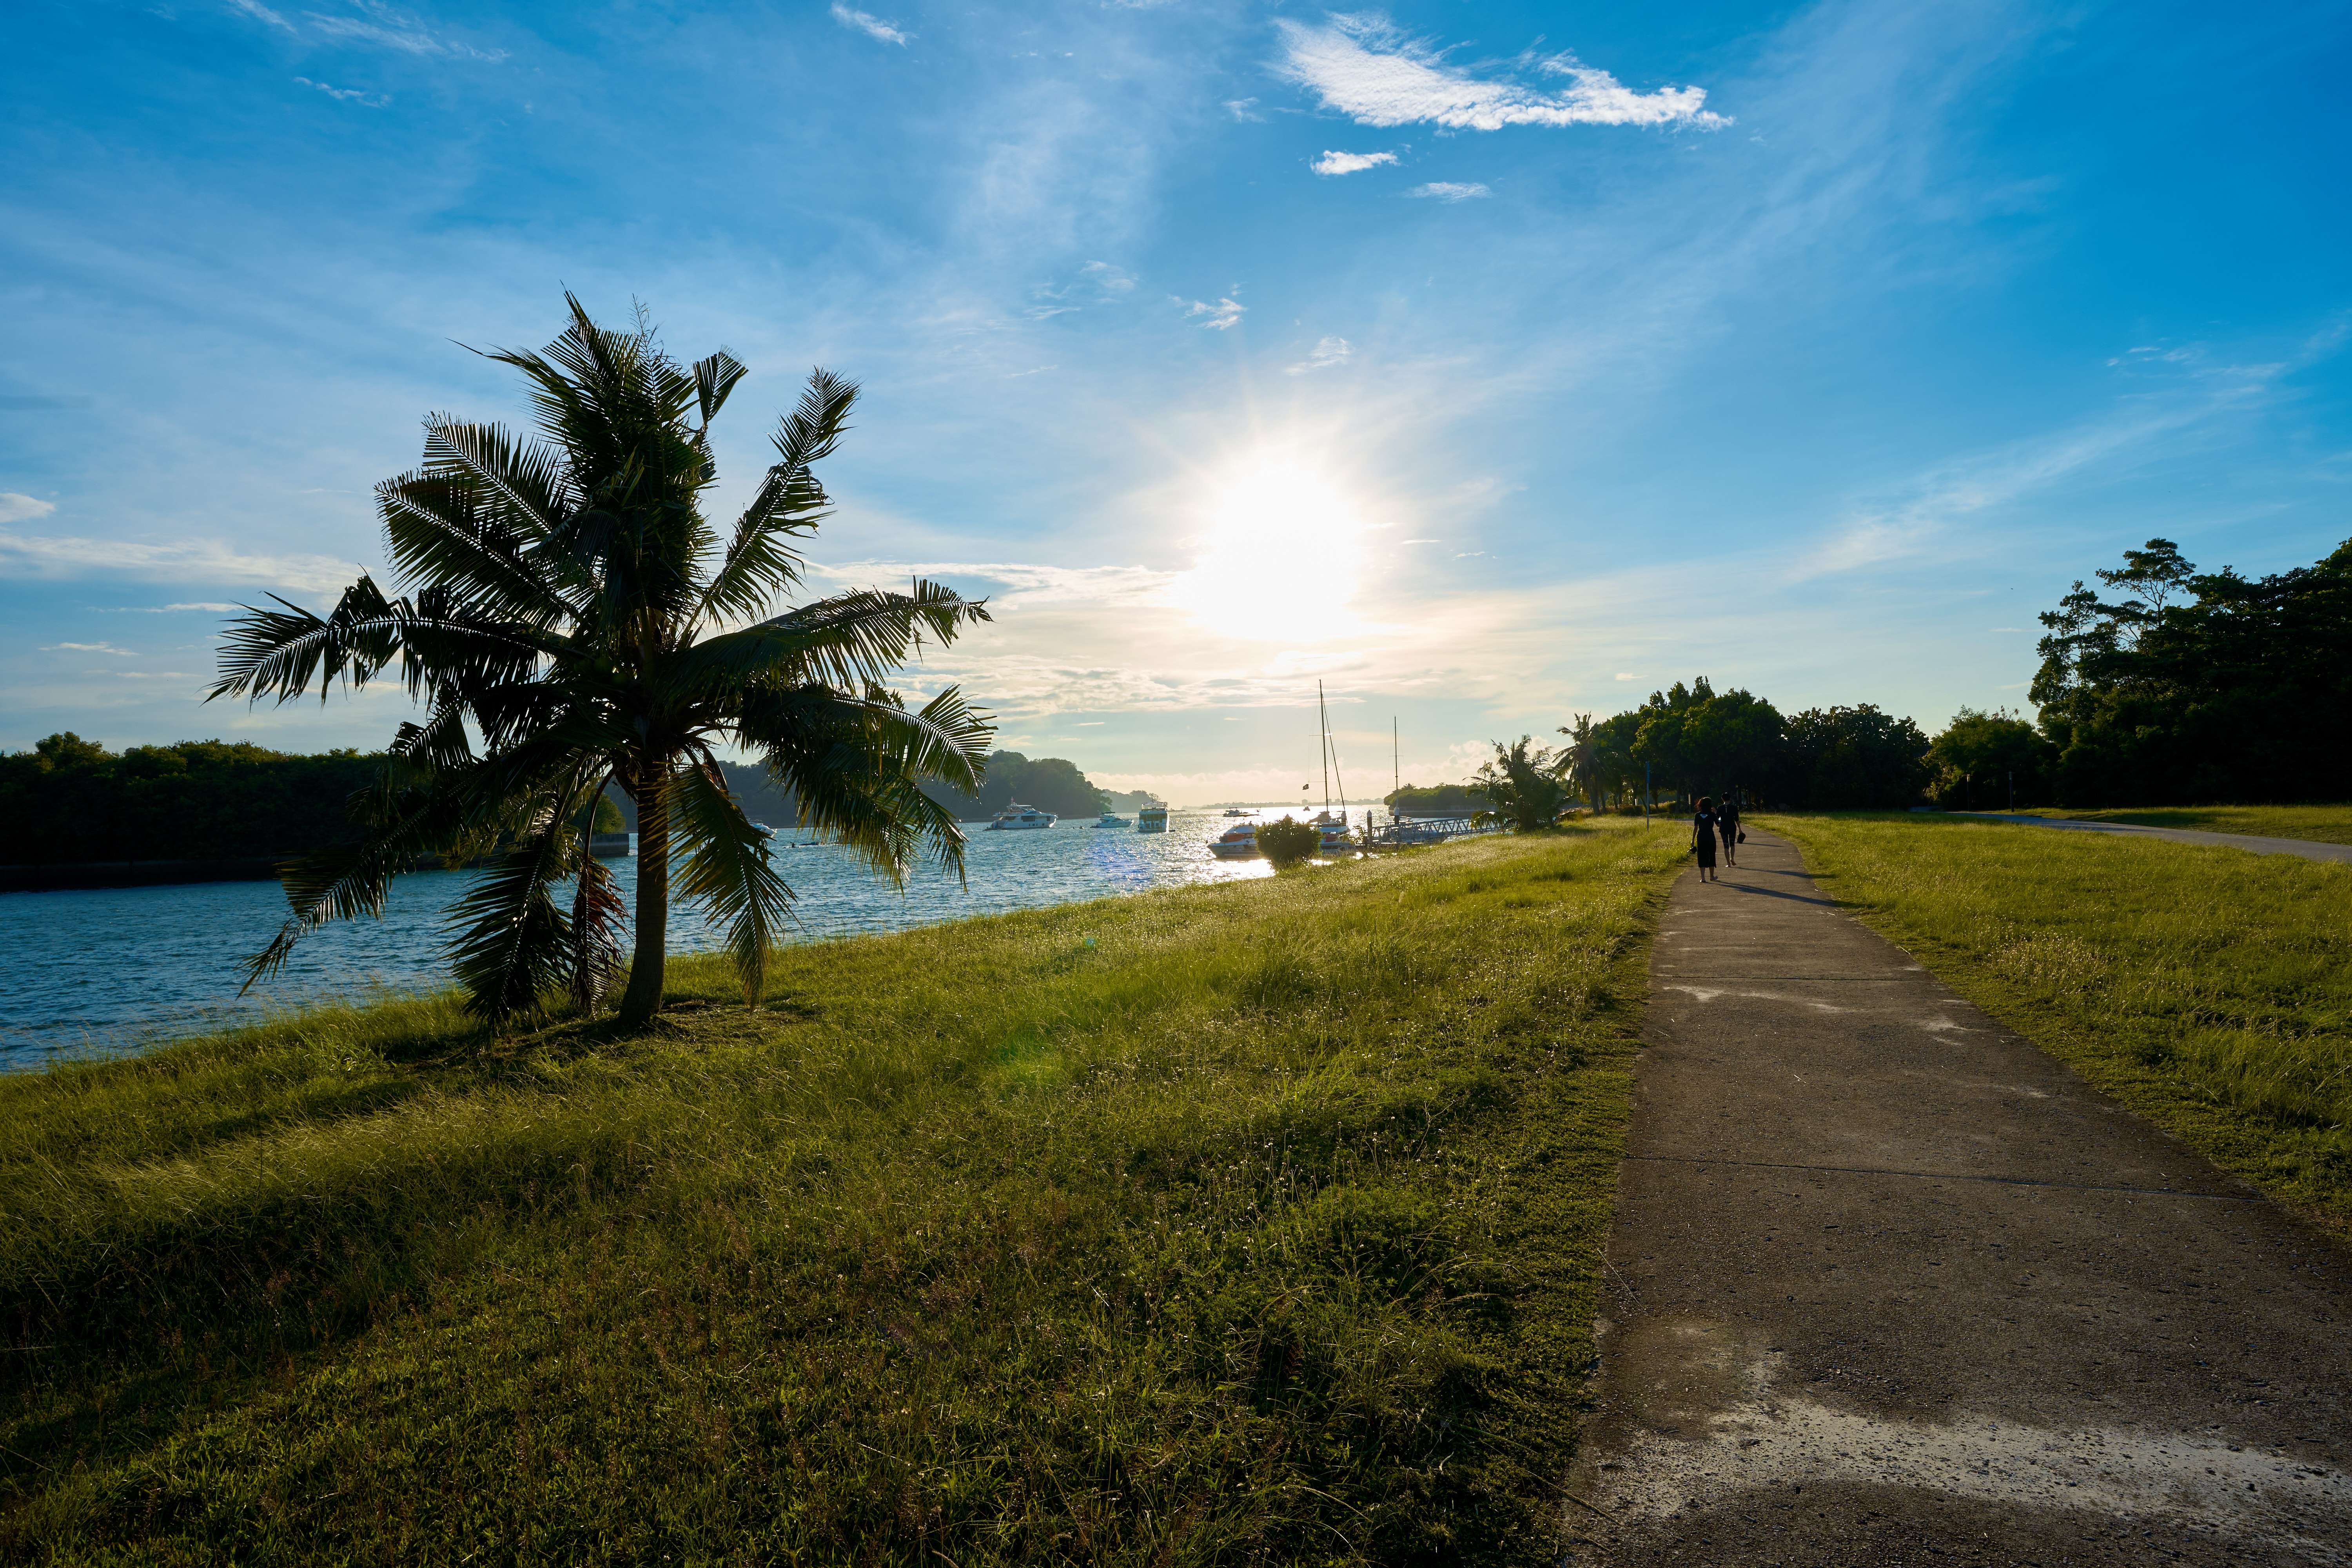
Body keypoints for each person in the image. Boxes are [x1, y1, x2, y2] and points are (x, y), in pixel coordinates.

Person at [1691, 795, 1719, 882]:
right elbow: (1719, 824)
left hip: (1701, 836)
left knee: (1701, 855)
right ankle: (1712, 876)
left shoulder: (1698, 815)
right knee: (1711, 855)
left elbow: (1696, 828)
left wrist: (1693, 840)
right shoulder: (1712, 814)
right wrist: (1716, 814)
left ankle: (1703, 878)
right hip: (1710, 836)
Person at [1718, 794, 1741, 868]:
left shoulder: (1720, 808)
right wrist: (1740, 829)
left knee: (1726, 846)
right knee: (1732, 844)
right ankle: (1732, 858)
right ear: (1730, 799)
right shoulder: (1734, 808)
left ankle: (1728, 863)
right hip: (1732, 828)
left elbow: (1718, 819)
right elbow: (1737, 819)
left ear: (1722, 799)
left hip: (1723, 828)